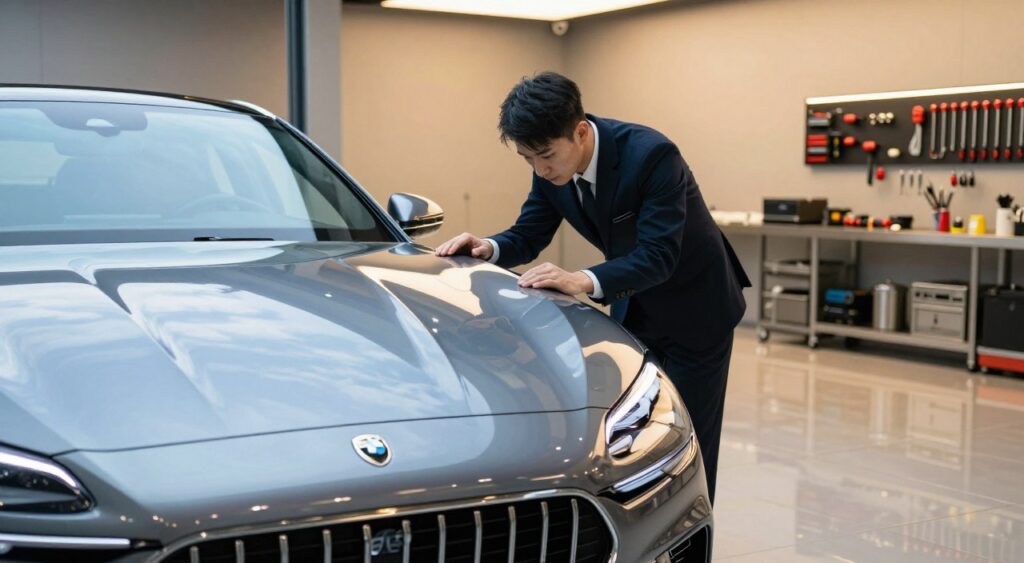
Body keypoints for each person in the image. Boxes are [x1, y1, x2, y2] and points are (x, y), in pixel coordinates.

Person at [434, 71, 750, 504]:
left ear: (581, 132)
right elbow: (528, 234)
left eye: (545, 156)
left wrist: (580, 279)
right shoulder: (550, 169)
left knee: (687, 440)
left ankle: (687, 532)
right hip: (635, 305)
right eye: (528, 160)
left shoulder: (652, 155)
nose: (541, 169)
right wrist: (485, 247)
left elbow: (659, 255)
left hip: (698, 306)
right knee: (632, 436)